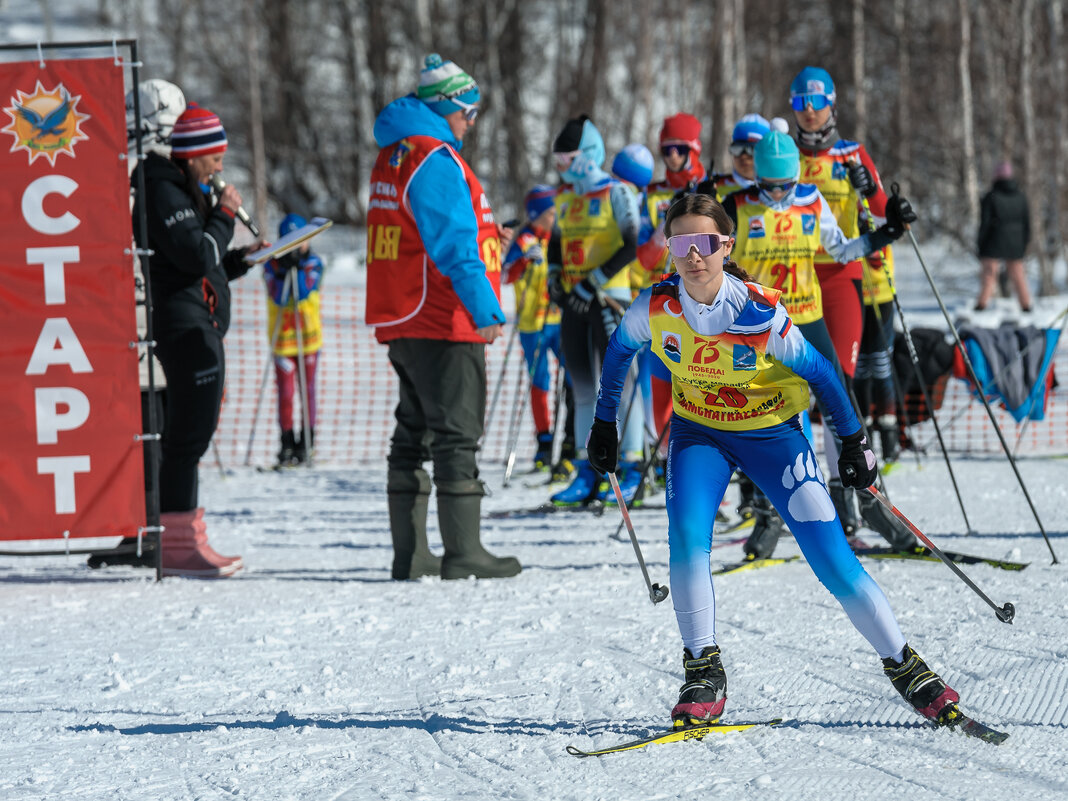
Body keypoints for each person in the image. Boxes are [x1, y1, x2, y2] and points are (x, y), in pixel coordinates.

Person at [585, 192, 969, 732]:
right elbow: (621, 352)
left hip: (773, 436)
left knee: (829, 553)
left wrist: (854, 442)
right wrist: (605, 421)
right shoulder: (655, 307)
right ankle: (702, 671)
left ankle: (905, 665)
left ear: (726, 246)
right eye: (681, 244)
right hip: (700, 436)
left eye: (705, 244)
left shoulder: (759, 312)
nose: (694, 257)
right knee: (685, 536)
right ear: (669, 248)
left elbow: (823, 375)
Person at [719, 127, 917, 556]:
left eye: (785, 185)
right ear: (758, 181)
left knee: (841, 406)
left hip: (808, 319)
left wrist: (885, 234)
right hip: (759, 323)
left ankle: (868, 501)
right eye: (770, 186)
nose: (779, 195)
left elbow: (841, 250)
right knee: (761, 415)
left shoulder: (810, 198)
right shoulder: (737, 204)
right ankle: (771, 516)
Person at [366, 53, 520, 581]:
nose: (472, 122)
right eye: (469, 111)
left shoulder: (396, 152)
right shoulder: (435, 158)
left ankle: (410, 555)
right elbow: (451, 242)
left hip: (405, 312)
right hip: (441, 316)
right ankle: (464, 552)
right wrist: (484, 308)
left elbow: (425, 230)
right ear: (447, 107)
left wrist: (487, 236)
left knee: (413, 430)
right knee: (456, 432)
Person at [130, 102, 260, 578]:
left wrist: (239, 262)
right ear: (191, 155)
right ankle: (178, 545)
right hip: (184, 330)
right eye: (215, 157)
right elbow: (193, 255)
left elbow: (199, 264)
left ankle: (184, 539)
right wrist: (224, 217)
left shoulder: (177, 188)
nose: (220, 167)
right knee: (186, 439)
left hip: (193, 322)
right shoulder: (164, 191)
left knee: (190, 437)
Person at [789, 66, 904, 542]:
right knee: (794, 389)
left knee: (841, 387)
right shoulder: (784, 153)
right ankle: (799, 494)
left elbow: (881, 211)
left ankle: (848, 492)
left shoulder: (852, 153)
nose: (810, 111)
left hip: (841, 278)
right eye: (801, 102)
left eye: (817, 101)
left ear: (833, 104)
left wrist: (868, 187)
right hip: (795, 276)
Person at [88, 78, 184, 570]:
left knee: (145, 429)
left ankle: (150, 528)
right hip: (144, 318)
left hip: (134, 318)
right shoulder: (160, 172)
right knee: (150, 429)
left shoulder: (124, 170)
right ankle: (146, 527)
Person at [547, 115, 644, 506]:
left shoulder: (616, 192)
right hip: (575, 303)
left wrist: (593, 282)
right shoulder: (566, 198)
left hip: (610, 300)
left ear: (586, 156)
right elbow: (556, 244)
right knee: (582, 387)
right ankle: (590, 470)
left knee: (618, 388)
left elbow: (632, 244)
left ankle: (632, 467)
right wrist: (555, 278)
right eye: (556, 163)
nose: (561, 169)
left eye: (565, 161)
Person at [502, 185, 575, 473]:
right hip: (532, 323)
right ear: (536, 215)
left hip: (558, 319)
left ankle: (570, 440)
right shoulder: (525, 239)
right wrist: (523, 261)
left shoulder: (559, 236)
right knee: (540, 381)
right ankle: (544, 443)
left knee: (572, 376)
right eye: (549, 213)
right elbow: (506, 275)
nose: (554, 217)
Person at [264, 213, 325, 467]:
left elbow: (304, 291)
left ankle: (307, 440)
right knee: (286, 394)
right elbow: (279, 296)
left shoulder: (314, 263)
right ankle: (286, 441)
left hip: (308, 340)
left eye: (300, 240)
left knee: (307, 391)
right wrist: (284, 267)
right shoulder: (271, 266)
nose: (297, 246)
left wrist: (297, 265)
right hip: (283, 341)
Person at [975, 161, 1033, 312]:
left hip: (993, 240)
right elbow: (1027, 222)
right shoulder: (1021, 197)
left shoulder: (991, 197)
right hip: (1015, 242)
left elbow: (985, 223)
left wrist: (980, 243)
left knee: (989, 275)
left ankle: (981, 305)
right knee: (1018, 275)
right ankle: (1026, 305)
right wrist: (1025, 242)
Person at [701, 113, 770, 201]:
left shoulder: (779, 191)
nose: (744, 156)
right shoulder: (713, 187)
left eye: (752, 149)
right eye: (737, 149)